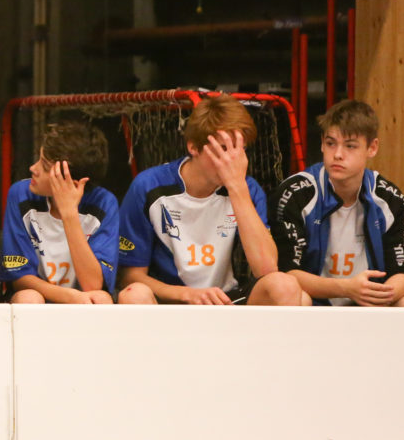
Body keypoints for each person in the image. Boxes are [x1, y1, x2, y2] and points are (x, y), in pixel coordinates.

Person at [118, 94, 304, 306]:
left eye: (239, 150)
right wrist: (187, 294)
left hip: (224, 298)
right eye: (222, 149)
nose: (231, 160)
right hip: (170, 300)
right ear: (194, 147)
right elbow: (129, 277)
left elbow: (266, 269)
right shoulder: (149, 186)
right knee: (133, 294)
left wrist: (237, 188)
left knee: (286, 286)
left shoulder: (247, 188)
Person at [271, 100, 404, 307]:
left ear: (372, 148)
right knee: (299, 298)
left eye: (350, 146)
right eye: (330, 143)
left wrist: (382, 294)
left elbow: (402, 273)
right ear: (321, 143)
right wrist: (347, 288)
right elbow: (287, 273)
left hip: (367, 303)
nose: (337, 154)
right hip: (314, 303)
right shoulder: (296, 193)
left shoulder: (388, 198)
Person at [0, 121, 118, 304]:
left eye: (45, 166)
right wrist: (69, 297)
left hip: (83, 295)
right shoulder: (21, 195)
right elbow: (21, 279)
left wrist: (69, 213)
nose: (33, 168)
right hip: (40, 294)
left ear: (74, 182)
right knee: (29, 298)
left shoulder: (104, 203)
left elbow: (93, 284)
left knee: (101, 299)